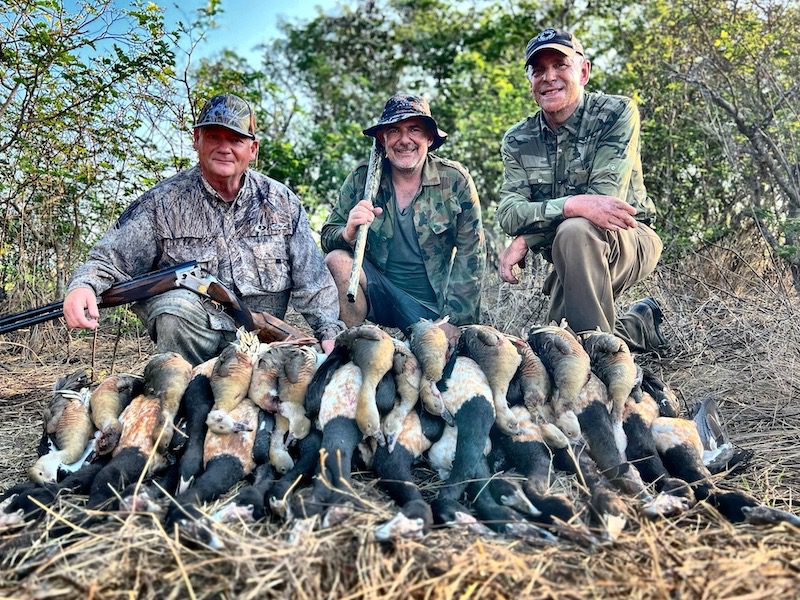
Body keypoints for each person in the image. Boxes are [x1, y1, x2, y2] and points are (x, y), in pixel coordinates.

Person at [63, 93, 343, 365]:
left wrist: (329, 333)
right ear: (196, 140)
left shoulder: (281, 201)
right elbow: (108, 259)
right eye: (213, 137)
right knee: (176, 311)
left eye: (235, 139)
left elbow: (313, 281)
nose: (224, 148)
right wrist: (83, 286)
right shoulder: (161, 203)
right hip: (195, 343)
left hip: (265, 346)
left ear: (253, 150)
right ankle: (183, 400)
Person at [496, 29, 668, 352]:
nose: (549, 77)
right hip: (567, 252)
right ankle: (638, 326)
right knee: (556, 341)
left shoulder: (616, 114)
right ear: (530, 80)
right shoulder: (517, 139)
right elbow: (508, 212)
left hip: (629, 237)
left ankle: (602, 373)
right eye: (538, 70)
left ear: (584, 71)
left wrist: (529, 237)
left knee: (576, 231)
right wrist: (571, 205)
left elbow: (602, 205)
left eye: (560, 65)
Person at [321, 93, 485, 342]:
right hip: (378, 295)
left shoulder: (455, 181)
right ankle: (348, 345)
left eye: (414, 130)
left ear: (429, 138)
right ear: (382, 139)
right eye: (394, 131)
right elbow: (327, 235)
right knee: (337, 260)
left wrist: (455, 322)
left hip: (430, 308)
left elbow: (471, 254)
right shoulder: (361, 179)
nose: (404, 140)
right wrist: (347, 233)